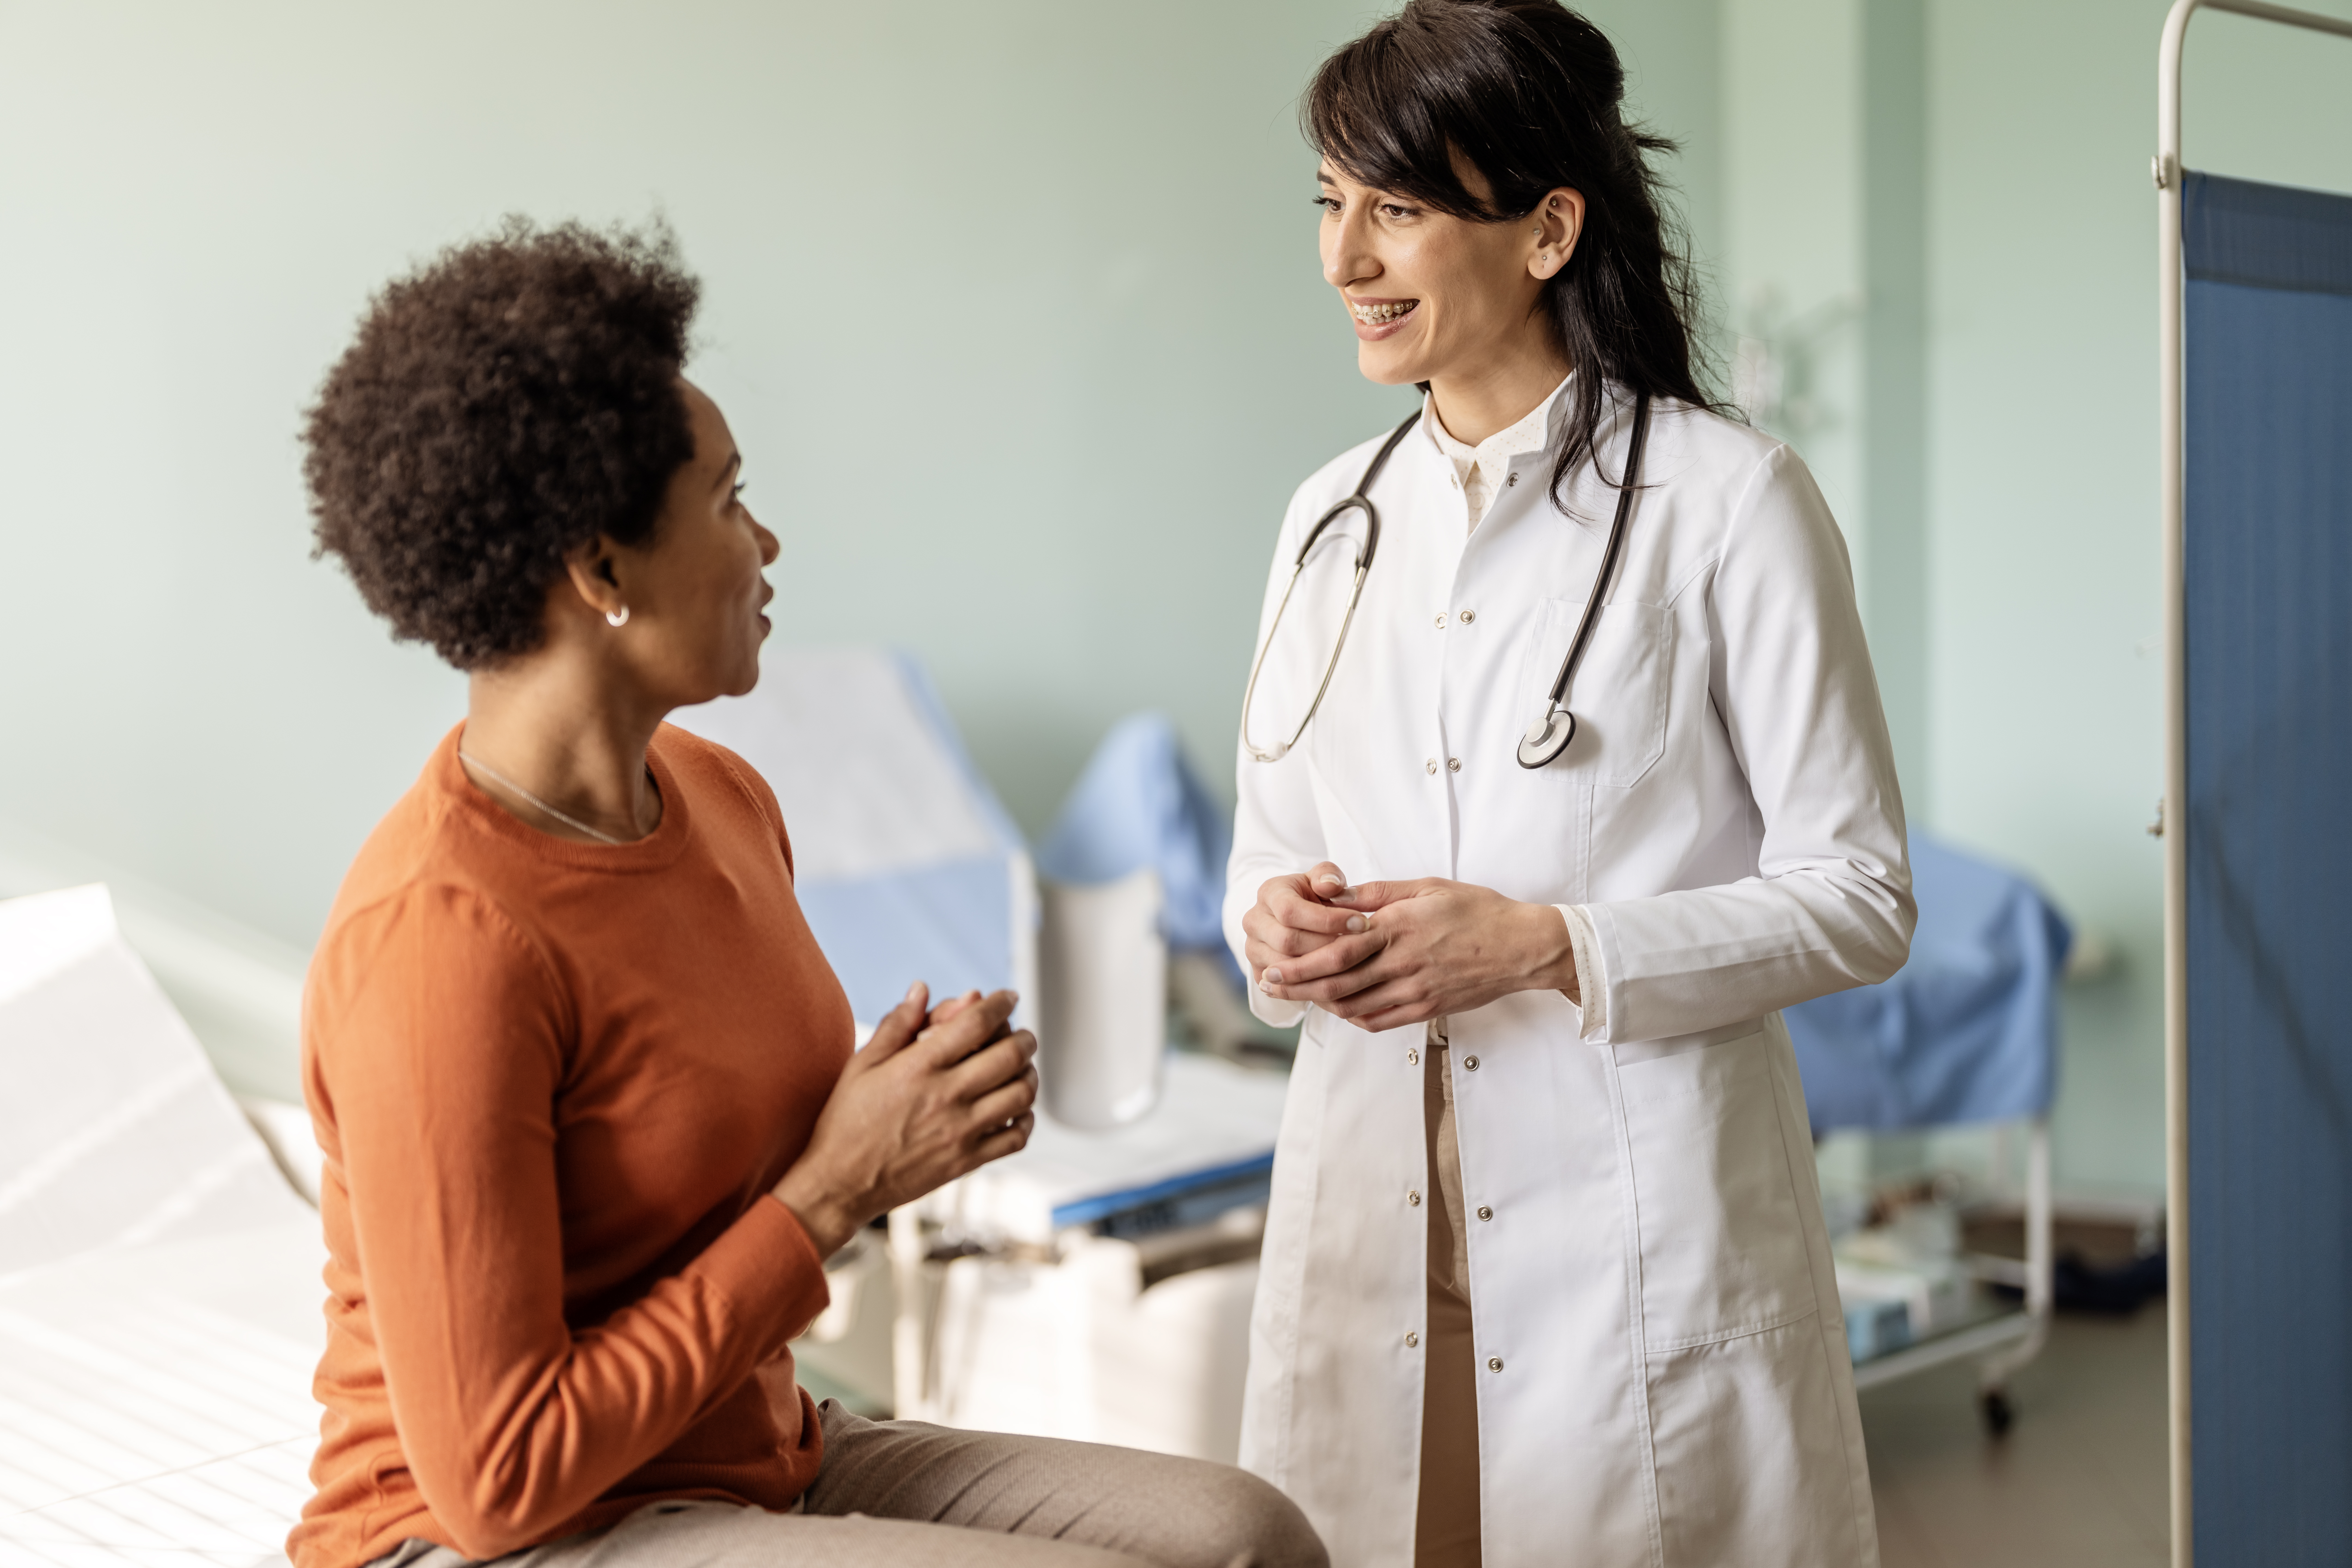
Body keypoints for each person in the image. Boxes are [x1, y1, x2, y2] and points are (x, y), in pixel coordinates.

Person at [293, 219, 1324, 1568]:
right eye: (727, 500)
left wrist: (905, 1122)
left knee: (1248, 1537)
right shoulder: (440, 941)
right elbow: (498, 1478)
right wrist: (835, 1190)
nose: (766, 539)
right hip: (491, 1538)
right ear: (601, 570)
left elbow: (707, 1177)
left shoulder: (722, 797)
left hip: (749, 1453)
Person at [1223, 4, 1913, 1566]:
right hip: (1380, 1204)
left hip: (1631, 1211)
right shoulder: (1330, 519)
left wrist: (1552, 946)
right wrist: (1272, 926)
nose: (1344, 259)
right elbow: (1268, 843)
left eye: (1396, 208)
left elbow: (1864, 899)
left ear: (1547, 231)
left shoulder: (1727, 503)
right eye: (1331, 205)